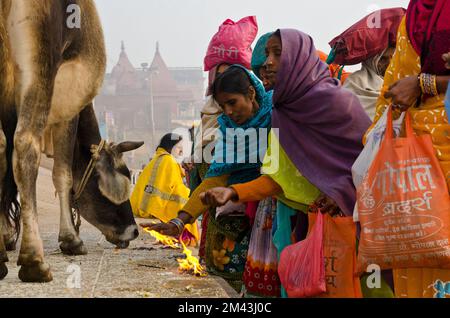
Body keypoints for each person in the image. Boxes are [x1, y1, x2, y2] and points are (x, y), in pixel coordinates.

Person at [201, 29, 372, 297]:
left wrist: (341, 188)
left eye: (277, 54)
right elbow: (279, 177)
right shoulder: (283, 111)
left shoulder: (337, 102)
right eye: (267, 54)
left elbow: (369, 159)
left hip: (346, 222)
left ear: (299, 60)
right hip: (296, 220)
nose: (268, 62)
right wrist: (234, 192)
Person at [143, 65, 273, 292]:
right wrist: (179, 221)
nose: (229, 112)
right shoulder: (229, 131)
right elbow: (215, 179)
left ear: (251, 93)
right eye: (223, 107)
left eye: (232, 102)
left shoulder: (278, 115)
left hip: (282, 209)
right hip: (246, 213)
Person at [365, 0, 450, 298]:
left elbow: (412, 83)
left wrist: (425, 83)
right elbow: (393, 91)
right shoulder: (418, 11)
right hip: (416, 182)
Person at [131, 133, 199, 246]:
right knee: (189, 204)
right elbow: (172, 186)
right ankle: (182, 238)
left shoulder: (160, 158)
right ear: (170, 146)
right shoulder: (168, 160)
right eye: (179, 147)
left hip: (154, 204)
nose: (181, 151)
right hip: (164, 204)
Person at [343, 47, 396, 120]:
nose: (389, 63)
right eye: (383, 59)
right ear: (371, 60)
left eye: (391, 58)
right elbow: (344, 113)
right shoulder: (356, 80)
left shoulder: (396, 83)